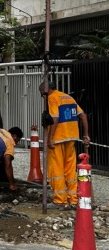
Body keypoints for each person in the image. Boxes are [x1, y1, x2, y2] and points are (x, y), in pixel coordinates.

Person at [39, 81, 90, 210]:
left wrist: (50, 138)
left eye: (41, 93)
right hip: (71, 137)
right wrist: (86, 134)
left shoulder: (52, 98)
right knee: (70, 169)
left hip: (57, 138)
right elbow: (83, 115)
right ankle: (73, 200)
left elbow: (55, 118)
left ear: (46, 90)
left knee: (56, 170)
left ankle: (60, 200)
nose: (42, 97)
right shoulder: (68, 97)